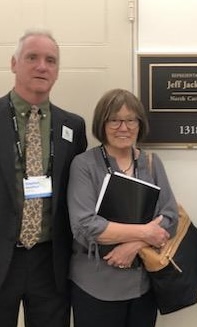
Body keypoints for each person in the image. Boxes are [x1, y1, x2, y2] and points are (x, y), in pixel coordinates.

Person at [67, 88, 178, 327]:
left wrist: (134, 245)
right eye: (115, 120)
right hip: (94, 285)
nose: (124, 127)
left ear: (139, 124)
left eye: (130, 120)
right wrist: (145, 233)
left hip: (143, 287)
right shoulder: (84, 165)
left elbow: (170, 217)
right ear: (102, 124)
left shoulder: (151, 162)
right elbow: (85, 226)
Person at [0, 29, 87, 327]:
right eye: (32, 58)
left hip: (50, 261)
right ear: (14, 64)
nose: (42, 66)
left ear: (57, 71)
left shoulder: (73, 126)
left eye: (50, 60)